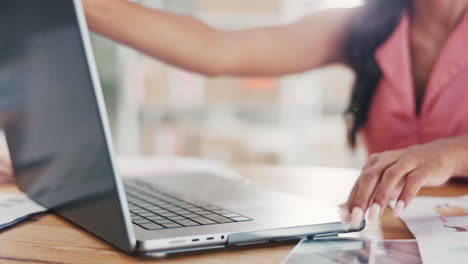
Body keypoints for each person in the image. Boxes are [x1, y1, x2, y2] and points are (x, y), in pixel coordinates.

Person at [3, 0, 468, 229]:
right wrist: (76, 3)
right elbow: (218, 50)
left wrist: (448, 154)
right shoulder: (367, 24)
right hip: (385, 237)